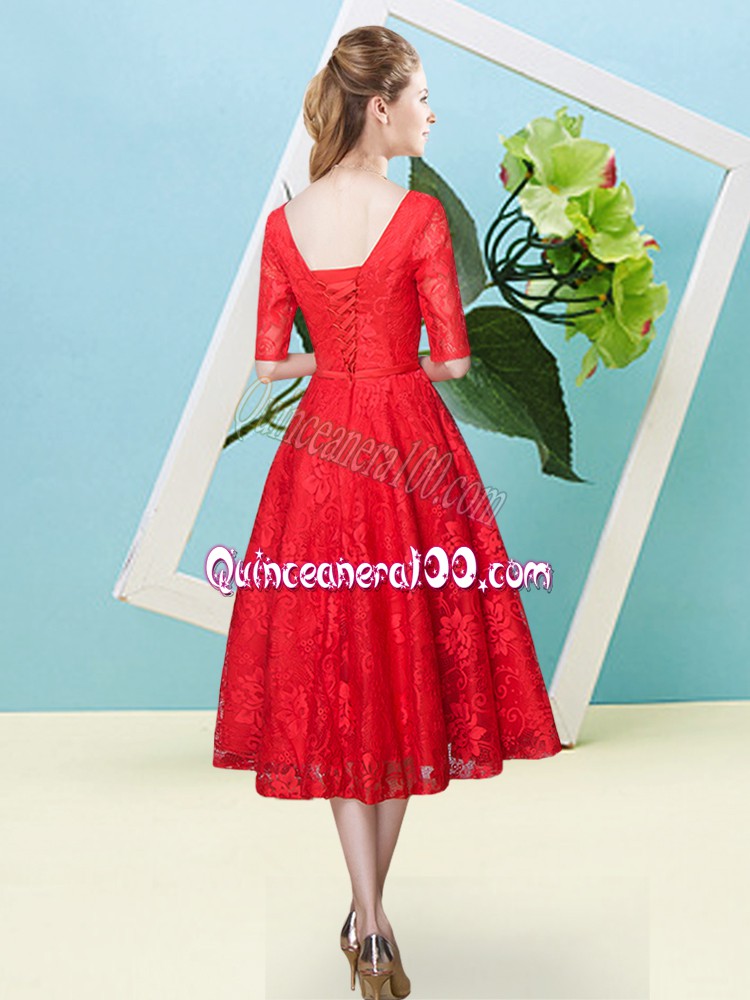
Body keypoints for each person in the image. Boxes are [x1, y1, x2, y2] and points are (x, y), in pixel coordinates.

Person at [212, 24, 563, 1000]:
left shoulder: (286, 226)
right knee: (408, 666)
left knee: (337, 676)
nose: (431, 115)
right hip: (406, 449)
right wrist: (391, 358)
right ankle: (371, 922)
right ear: (381, 107)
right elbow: (453, 361)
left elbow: (269, 363)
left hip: (321, 451)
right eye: (421, 97)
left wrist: (336, 360)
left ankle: (368, 923)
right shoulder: (418, 219)